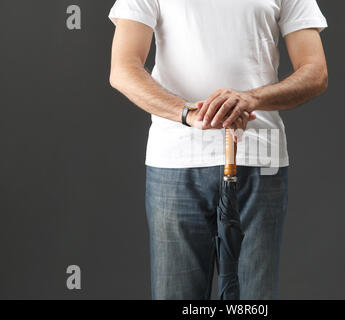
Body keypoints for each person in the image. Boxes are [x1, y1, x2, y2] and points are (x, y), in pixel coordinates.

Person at [108, 0, 328, 299]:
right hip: (175, 158)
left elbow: (315, 72)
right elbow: (123, 69)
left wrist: (251, 98)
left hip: (260, 156)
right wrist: (188, 113)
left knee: (254, 302)